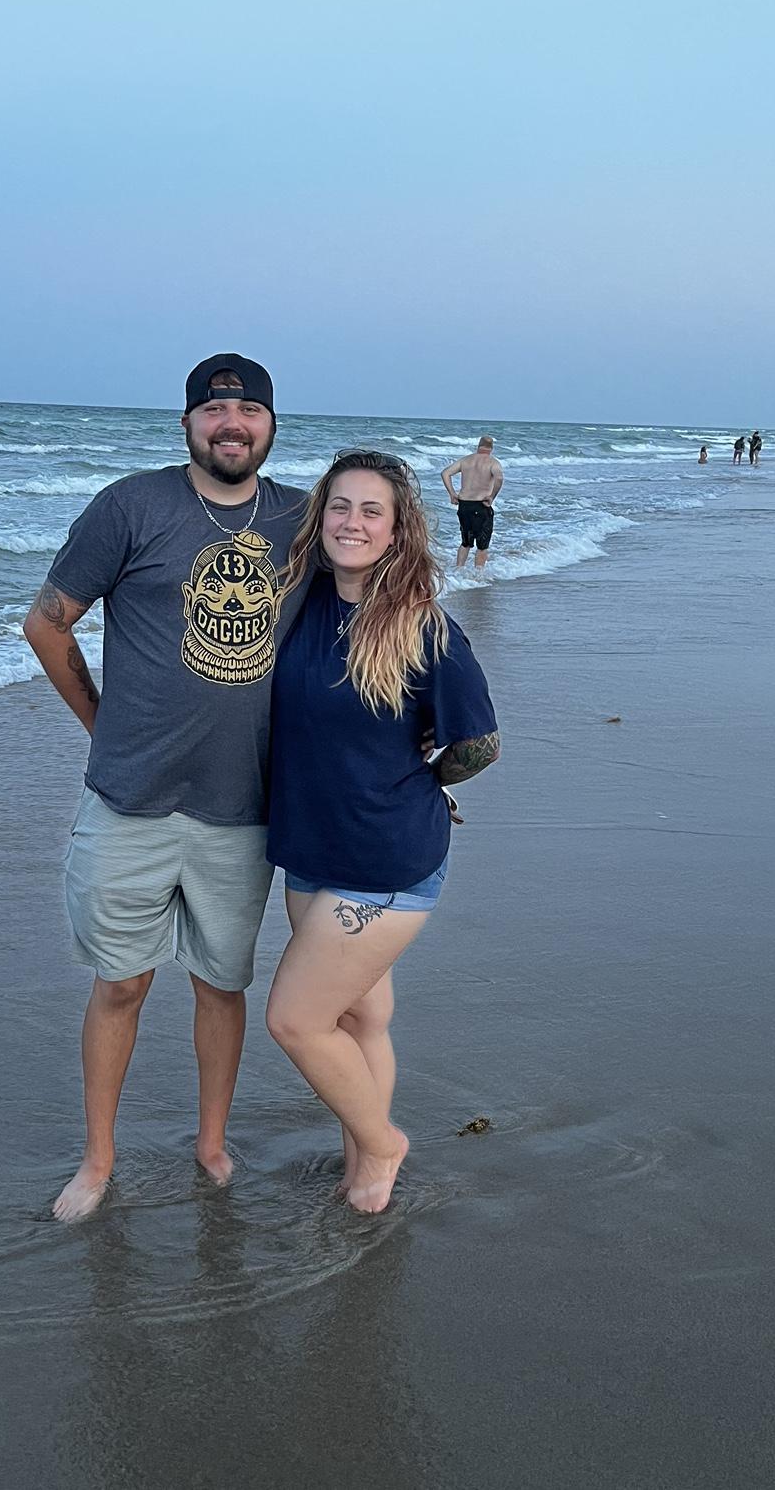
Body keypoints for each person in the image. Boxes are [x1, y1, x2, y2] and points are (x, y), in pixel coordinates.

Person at [22, 354, 306, 1222]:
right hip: (130, 802)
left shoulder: (300, 518)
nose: (232, 423)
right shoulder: (130, 506)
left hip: (243, 808)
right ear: (187, 423)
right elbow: (46, 622)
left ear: (270, 424)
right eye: (216, 410)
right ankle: (97, 1161)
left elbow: (372, 602)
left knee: (222, 986)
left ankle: (211, 1143)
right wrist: (103, 726)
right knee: (121, 984)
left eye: (249, 409)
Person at [264, 450, 499, 1213]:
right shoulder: (298, 604)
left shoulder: (421, 626)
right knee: (359, 1013)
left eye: (372, 511)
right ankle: (366, 1172)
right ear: (320, 517)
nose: (352, 522)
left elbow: (479, 742)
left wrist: (418, 788)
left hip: (387, 859)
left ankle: (382, 1141)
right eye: (340, 506)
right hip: (309, 846)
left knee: (296, 1020)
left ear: (398, 529)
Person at [439, 436, 503, 570]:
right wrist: (491, 496)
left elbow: (445, 473)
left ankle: (458, 571)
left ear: (478, 446)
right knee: (482, 545)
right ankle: (478, 576)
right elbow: (499, 478)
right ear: (491, 449)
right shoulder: (493, 462)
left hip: (464, 506)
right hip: (481, 505)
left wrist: (452, 494)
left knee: (465, 542)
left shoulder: (466, 460)